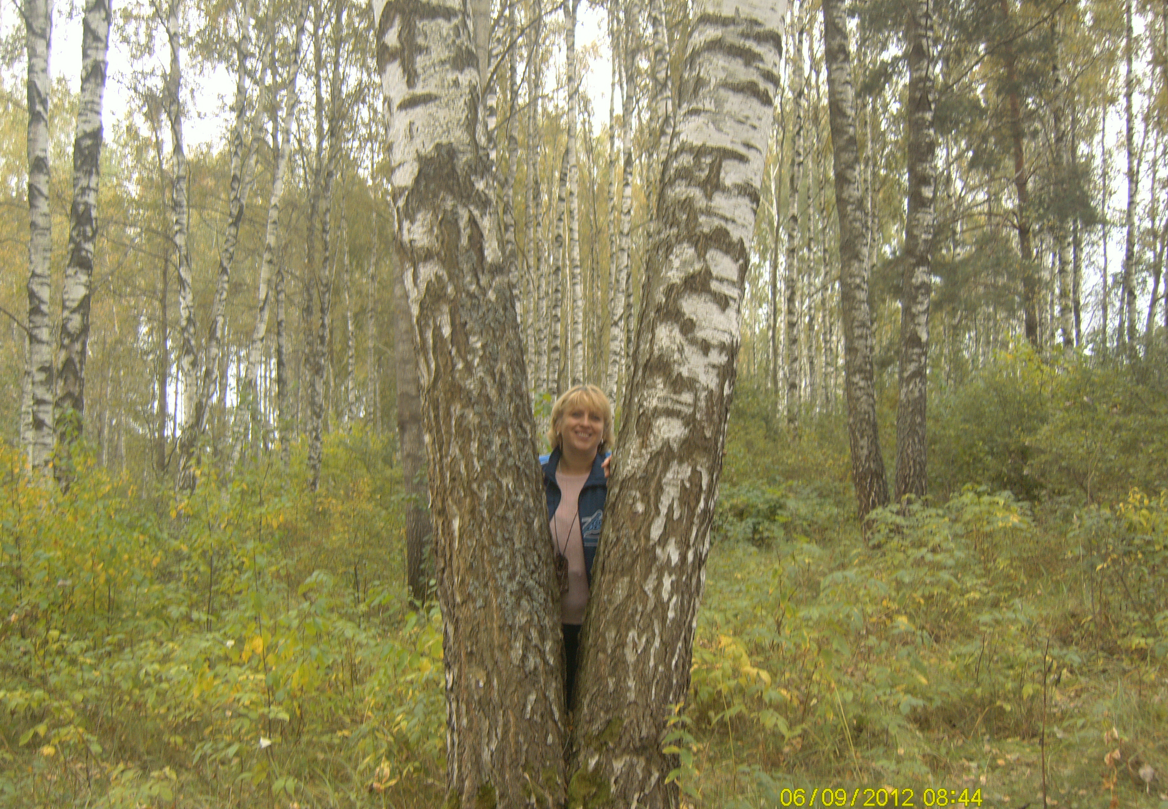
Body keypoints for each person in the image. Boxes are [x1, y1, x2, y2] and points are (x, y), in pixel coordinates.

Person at [540, 384, 614, 710]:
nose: (585, 423)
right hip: (542, 629)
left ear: (604, 432)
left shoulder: (616, 477)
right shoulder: (534, 475)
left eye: (595, 418)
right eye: (576, 414)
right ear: (558, 424)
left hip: (598, 631)